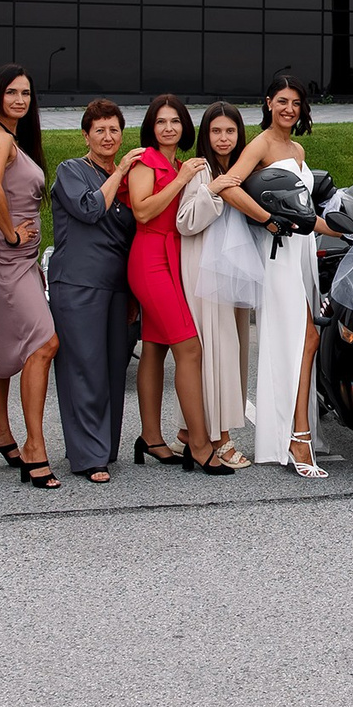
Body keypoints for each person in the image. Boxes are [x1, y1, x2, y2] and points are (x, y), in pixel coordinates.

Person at [216, 73, 335, 478]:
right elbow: (226, 186)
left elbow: (303, 214)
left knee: (302, 339)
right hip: (278, 255)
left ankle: (294, 432)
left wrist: (348, 228)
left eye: (296, 103)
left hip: (301, 253)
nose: (289, 109)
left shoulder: (297, 148)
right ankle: (296, 436)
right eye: (282, 101)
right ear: (268, 102)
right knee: (306, 336)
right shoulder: (262, 144)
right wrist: (267, 220)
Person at [126, 94, 225, 473]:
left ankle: (151, 437)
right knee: (189, 348)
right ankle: (198, 444)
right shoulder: (145, 161)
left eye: (176, 122)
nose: (169, 128)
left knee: (154, 348)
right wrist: (182, 179)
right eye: (161, 121)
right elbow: (142, 209)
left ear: (185, 127)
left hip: (173, 257)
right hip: (150, 257)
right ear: (151, 126)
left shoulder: (181, 163)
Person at [0, 65, 59, 488]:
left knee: (7, 339)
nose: (20, 100)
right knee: (46, 341)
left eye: (26, 93)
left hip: (20, 255)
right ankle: (34, 446)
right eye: (11, 92)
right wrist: (10, 232)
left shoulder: (8, 137)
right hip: (9, 252)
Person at [49, 99, 141, 484]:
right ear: (86, 135)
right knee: (83, 367)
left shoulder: (133, 178)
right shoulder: (71, 170)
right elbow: (89, 209)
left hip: (120, 286)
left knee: (113, 368)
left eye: (114, 129)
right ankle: (88, 456)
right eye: (99, 130)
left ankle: (104, 446)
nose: (107, 136)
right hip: (78, 284)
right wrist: (119, 171)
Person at [175, 104, 257, 468]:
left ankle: (186, 432)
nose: (223, 139)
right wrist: (214, 190)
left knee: (233, 349)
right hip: (204, 273)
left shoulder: (238, 169)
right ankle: (217, 437)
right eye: (215, 132)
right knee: (217, 350)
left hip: (232, 273)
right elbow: (185, 222)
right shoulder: (201, 170)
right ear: (205, 136)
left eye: (230, 132)